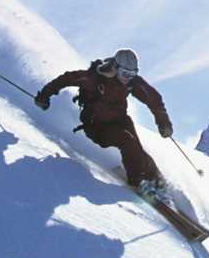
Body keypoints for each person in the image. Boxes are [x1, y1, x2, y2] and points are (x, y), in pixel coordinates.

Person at [34, 48, 173, 196]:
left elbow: (153, 99)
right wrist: (44, 96)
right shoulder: (93, 78)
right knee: (128, 141)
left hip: (120, 120)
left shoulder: (131, 82)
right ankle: (138, 182)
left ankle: (158, 181)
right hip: (97, 127)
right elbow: (65, 79)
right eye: (125, 74)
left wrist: (163, 122)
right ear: (115, 68)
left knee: (137, 149)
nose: (128, 78)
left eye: (132, 74)